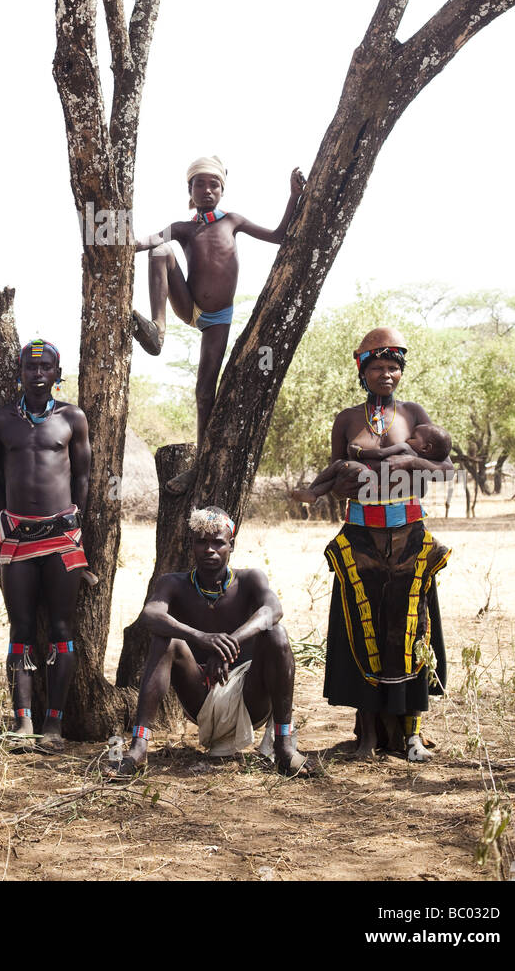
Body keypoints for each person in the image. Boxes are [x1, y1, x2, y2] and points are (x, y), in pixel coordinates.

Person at [132, 156, 304, 491]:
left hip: (218, 319)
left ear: (222, 190)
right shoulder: (183, 228)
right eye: (200, 184)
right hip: (188, 304)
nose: (207, 190)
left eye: (214, 184)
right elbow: (146, 242)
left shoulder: (232, 221)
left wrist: (293, 195)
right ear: (190, 190)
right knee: (159, 252)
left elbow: (280, 236)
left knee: (203, 390)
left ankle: (199, 466)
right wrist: (113, 242)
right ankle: (157, 331)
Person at [320, 328, 453, 762]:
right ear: (362, 371)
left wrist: (409, 459)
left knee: (410, 628)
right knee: (364, 627)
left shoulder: (413, 413)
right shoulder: (346, 418)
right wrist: (352, 469)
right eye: (377, 367)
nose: (387, 374)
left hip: (409, 538)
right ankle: (367, 736)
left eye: (393, 367)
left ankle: (411, 733)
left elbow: (444, 466)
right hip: (359, 538)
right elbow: (335, 472)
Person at [113, 507, 314, 778]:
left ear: (231, 544)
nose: (210, 549)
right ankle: (138, 748)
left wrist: (229, 644)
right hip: (201, 696)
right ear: (192, 546)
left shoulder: (250, 579)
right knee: (167, 639)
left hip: (250, 698)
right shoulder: (173, 583)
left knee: (276, 633)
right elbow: (150, 615)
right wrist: (202, 638)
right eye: (202, 542)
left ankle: (284, 746)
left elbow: (273, 610)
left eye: (218, 542)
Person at [0, 338, 91, 753]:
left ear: (57, 375)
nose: (38, 375)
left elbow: (82, 476)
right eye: (30, 367)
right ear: (20, 372)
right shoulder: (0, 421)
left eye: (46, 369)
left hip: (63, 537)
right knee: (21, 629)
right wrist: (12, 512)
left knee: (62, 630)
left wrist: (75, 517)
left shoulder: (72, 418)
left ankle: (55, 726)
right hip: (17, 537)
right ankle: (22, 722)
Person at [293, 422, 452, 507]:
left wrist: (360, 453)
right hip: (376, 488)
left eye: (413, 437)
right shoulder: (419, 465)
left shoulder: (406, 448)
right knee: (338, 476)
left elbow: (381, 453)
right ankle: (313, 493)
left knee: (339, 466)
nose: (408, 438)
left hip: (368, 473)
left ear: (425, 447)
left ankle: (313, 491)